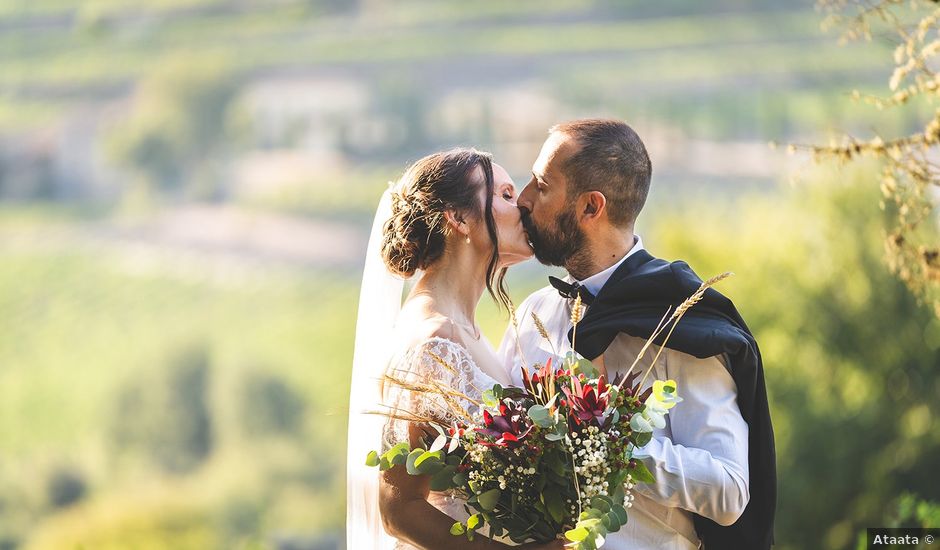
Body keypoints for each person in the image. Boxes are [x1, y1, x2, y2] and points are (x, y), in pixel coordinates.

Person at [499, 119, 776, 550]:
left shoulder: (679, 323)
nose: (524, 199)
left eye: (541, 185)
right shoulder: (533, 314)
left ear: (591, 207)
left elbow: (730, 490)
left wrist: (611, 445)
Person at [346, 148, 564, 549]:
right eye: (505, 195)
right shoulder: (433, 342)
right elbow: (398, 509)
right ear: (459, 217)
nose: (523, 209)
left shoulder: (465, 329)